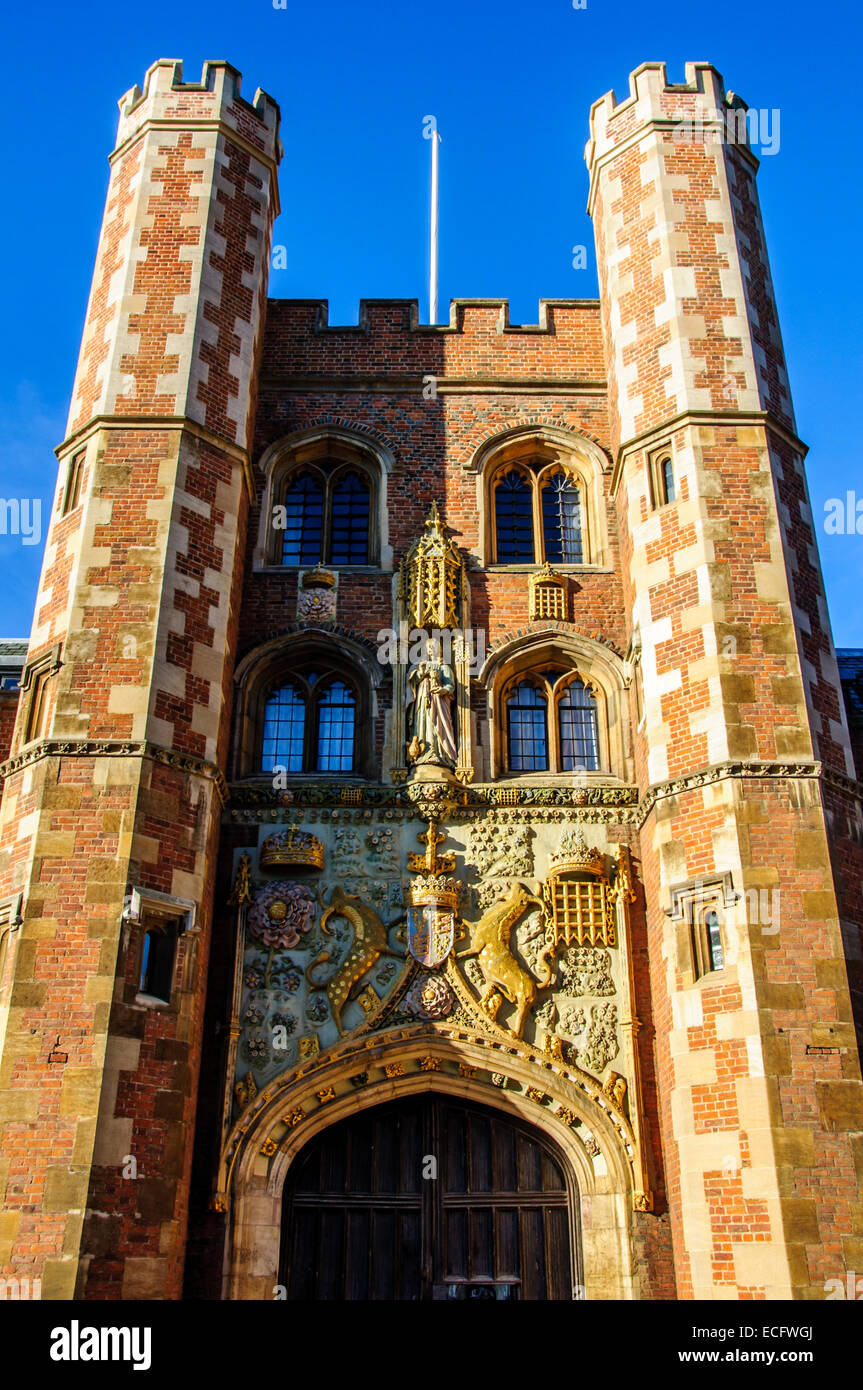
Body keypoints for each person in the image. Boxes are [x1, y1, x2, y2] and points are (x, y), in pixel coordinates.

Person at [406, 645, 457, 768]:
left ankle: (439, 753)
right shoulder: (418, 665)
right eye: (428, 648)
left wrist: (443, 689)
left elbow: (450, 685)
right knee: (422, 723)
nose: (430, 651)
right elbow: (410, 681)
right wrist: (421, 674)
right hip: (422, 700)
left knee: (439, 724)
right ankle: (421, 754)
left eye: (433, 648)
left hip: (439, 701)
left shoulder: (443, 666)